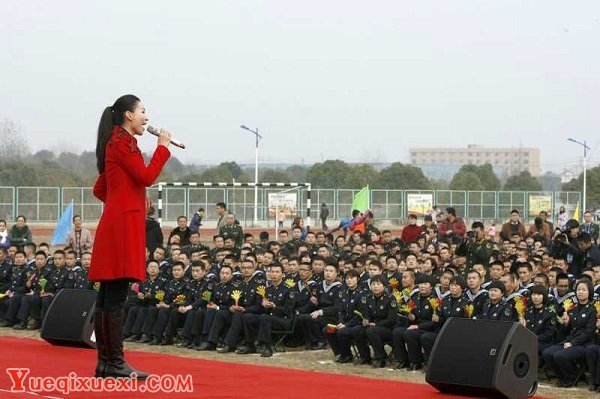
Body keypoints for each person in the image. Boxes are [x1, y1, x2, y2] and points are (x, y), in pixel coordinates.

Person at [89, 94, 171, 379]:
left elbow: (101, 189)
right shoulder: (123, 143)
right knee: (114, 298)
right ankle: (115, 363)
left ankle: (106, 363)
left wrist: (129, 197)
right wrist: (162, 147)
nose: (146, 118)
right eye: (143, 112)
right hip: (122, 227)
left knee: (107, 297)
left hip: (116, 222)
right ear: (128, 115)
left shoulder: (117, 143)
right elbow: (147, 176)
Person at [543, 279, 596, 388]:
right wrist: (565, 323)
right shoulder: (573, 308)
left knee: (559, 356)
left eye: (583, 290)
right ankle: (562, 377)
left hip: (584, 344)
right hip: (570, 340)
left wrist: (573, 343)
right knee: (547, 353)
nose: (580, 292)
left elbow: (589, 332)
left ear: (589, 292)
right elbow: (565, 331)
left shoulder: (592, 309)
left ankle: (572, 377)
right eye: (578, 289)